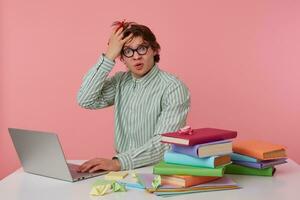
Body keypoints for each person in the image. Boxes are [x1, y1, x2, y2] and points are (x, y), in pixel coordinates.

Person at [77, 21, 190, 172]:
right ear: (122, 57)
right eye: (127, 51)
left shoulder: (173, 87)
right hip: (121, 172)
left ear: (155, 50)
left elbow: (165, 143)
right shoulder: (120, 82)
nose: (136, 56)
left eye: (142, 48)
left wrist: (118, 163)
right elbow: (85, 99)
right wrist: (109, 55)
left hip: (156, 171)